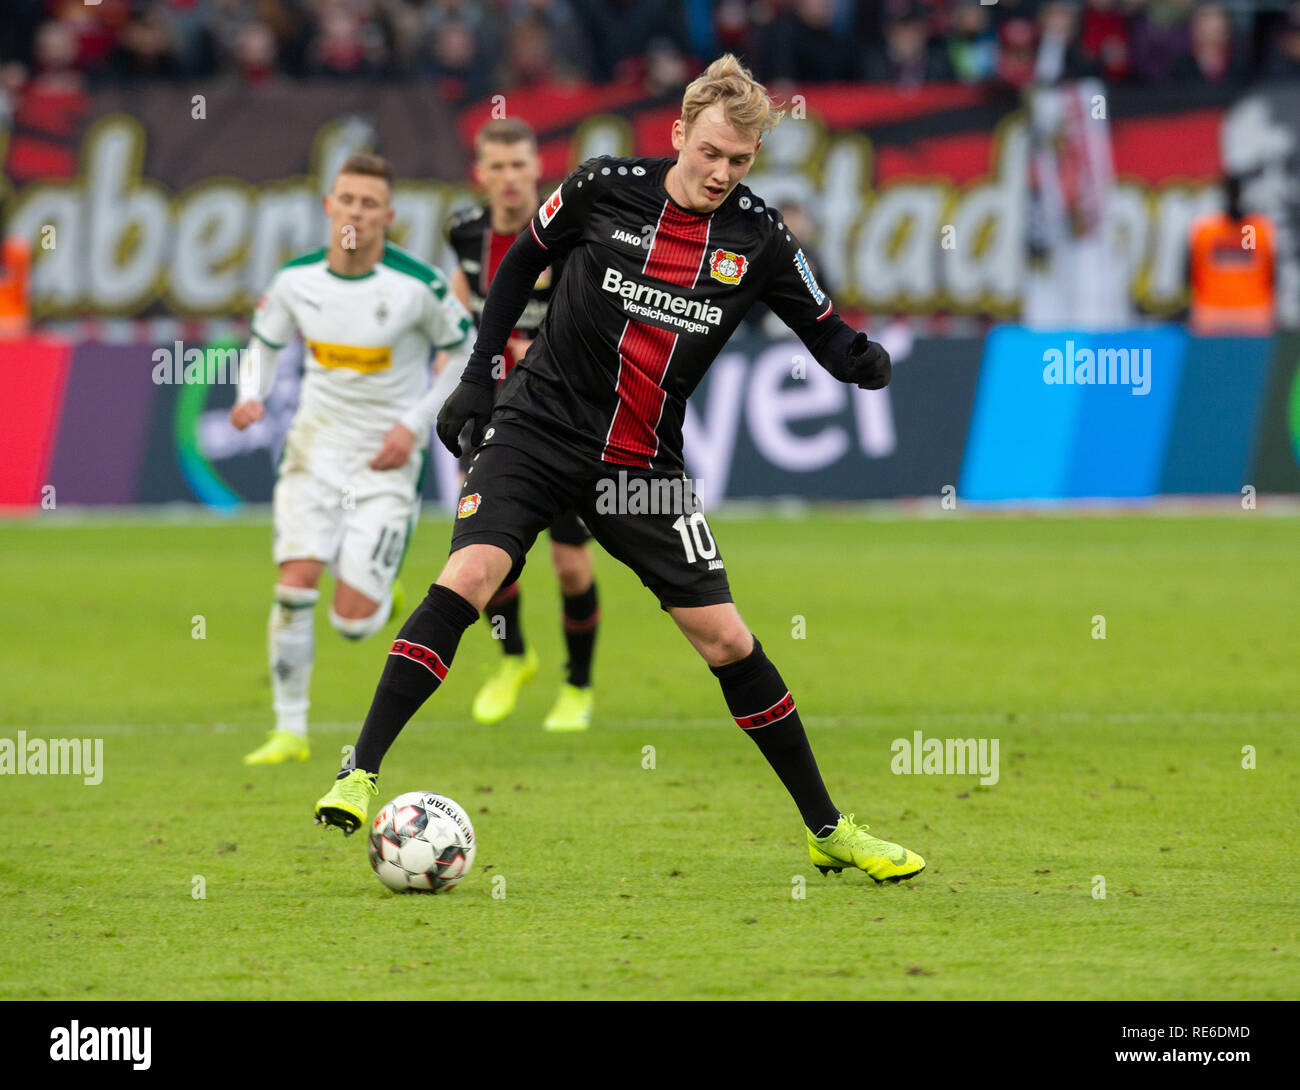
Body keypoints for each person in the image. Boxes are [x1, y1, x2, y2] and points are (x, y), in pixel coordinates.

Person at [314, 55, 926, 884]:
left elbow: (823, 328)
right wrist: (476, 376)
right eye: (708, 152)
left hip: (640, 466)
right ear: (678, 133)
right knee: (471, 574)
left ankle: (827, 827)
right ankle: (361, 771)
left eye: (738, 162)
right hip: (535, 431)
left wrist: (860, 360)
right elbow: (519, 264)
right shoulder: (604, 187)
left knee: (724, 638)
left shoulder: (760, 235)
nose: (719, 173)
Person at [232, 154, 474, 765]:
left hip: (386, 460)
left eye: (370, 205)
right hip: (313, 449)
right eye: (348, 200)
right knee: (294, 584)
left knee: (352, 618)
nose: (357, 213)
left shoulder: (418, 285)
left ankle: (376, 595)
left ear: (387, 217)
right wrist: (249, 396)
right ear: (328, 207)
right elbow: (262, 344)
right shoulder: (295, 280)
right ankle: (288, 730)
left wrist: (412, 425)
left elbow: (463, 351)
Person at [443, 118, 600, 731]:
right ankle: (514, 657)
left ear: (538, 169)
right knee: (481, 552)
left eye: (519, 166)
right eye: (497, 167)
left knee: (570, 564)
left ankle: (578, 686)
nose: (509, 179)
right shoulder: (464, 236)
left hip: (560, 419)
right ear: (480, 175)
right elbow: (459, 310)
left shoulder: (570, 230)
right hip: (491, 418)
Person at [1187, 175, 1276, 336]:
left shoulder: (1259, 229)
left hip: (1249, 314)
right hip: (1215, 314)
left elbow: (1272, 274)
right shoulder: (1206, 231)